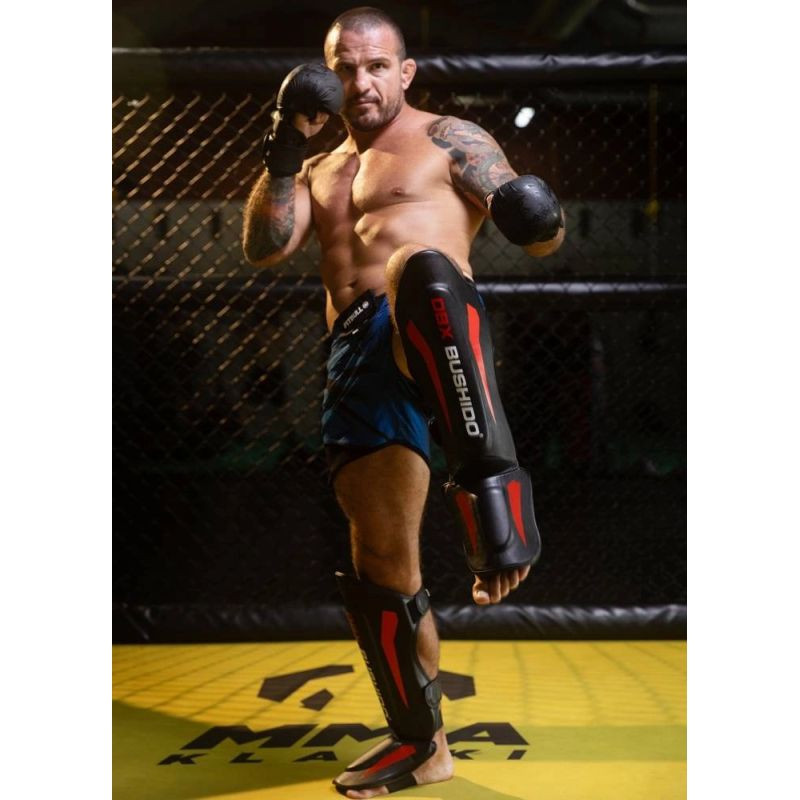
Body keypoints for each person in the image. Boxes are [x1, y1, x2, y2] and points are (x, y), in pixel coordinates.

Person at [242, 7, 565, 797]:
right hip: (356, 358)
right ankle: (423, 744)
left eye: (378, 65)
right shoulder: (319, 170)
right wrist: (284, 145)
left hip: (434, 332)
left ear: (405, 71)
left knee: (414, 270)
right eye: (346, 68)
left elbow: (539, 235)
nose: (362, 82)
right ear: (328, 76)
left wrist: (537, 216)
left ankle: (492, 486)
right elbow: (264, 247)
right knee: (381, 567)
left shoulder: (450, 139)